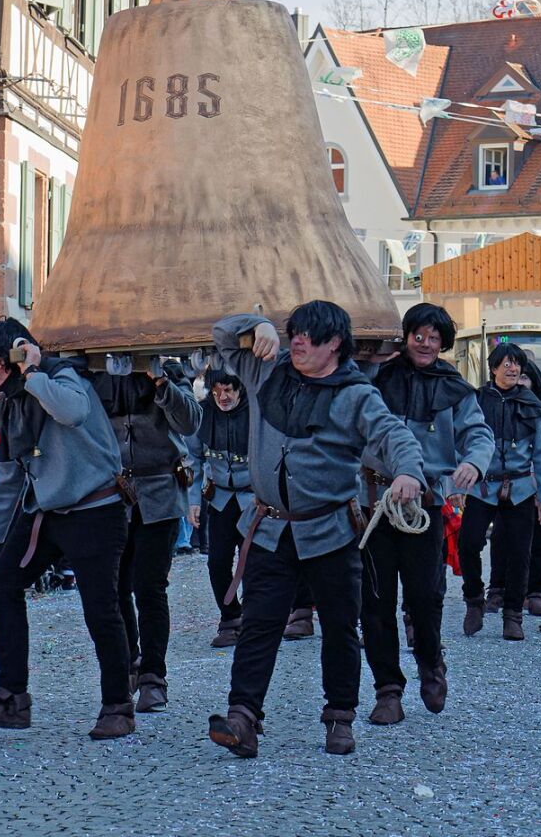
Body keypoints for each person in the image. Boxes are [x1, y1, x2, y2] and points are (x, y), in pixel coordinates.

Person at [207, 302, 425, 758]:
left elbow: (391, 434)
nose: (298, 341)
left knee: (342, 626)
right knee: (259, 625)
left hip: (330, 531)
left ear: (335, 345)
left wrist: (409, 472)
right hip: (269, 529)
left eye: (310, 336)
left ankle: (339, 717)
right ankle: (243, 717)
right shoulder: (267, 369)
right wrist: (258, 324)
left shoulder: (356, 393)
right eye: (295, 333)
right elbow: (221, 334)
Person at [0, 318, 133, 740]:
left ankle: (118, 706)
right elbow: (9, 471)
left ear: (5, 358)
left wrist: (32, 371)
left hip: (95, 509)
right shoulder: (8, 402)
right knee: (1, 586)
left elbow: (73, 411)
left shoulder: (61, 377)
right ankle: (12, 699)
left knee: (100, 607)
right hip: (46, 514)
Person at [359, 304, 493, 727]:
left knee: (425, 596)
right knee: (376, 601)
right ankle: (387, 690)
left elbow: (478, 433)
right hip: (375, 503)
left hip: (426, 504)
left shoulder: (454, 388)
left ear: (443, 343)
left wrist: (474, 462)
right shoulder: (375, 378)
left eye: (434, 337)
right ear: (407, 336)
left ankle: (431, 663)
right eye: (418, 334)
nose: (425, 342)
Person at [92, 359, 202, 712]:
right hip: (112, 493)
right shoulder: (96, 373)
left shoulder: (169, 368)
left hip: (161, 490)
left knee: (150, 585)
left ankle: (154, 675)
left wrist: (160, 382)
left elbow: (189, 421)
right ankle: (129, 663)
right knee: (116, 585)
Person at [458, 343, 541, 641]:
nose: (513, 369)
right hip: (482, 484)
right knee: (468, 543)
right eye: (507, 363)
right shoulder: (475, 400)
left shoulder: (532, 405)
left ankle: (512, 615)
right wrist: (454, 485)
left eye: (517, 364)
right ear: (494, 367)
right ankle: (474, 599)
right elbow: (460, 441)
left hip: (521, 488)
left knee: (519, 553)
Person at [188, 368, 253, 647]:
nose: (222, 397)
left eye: (228, 391)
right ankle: (230, 618)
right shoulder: (204, 414)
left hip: (254, 501)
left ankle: (254, 619)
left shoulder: (257, 415)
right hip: (221, 500)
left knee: (255, 563)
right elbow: (194, 459)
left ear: (239, 390)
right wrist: (193, 502)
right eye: (216, 392)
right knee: (217, 562)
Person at [486, 357, 541, 617]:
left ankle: (534, 591)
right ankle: (498, 588)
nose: (517, 378)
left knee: (536, 540)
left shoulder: (537, 407)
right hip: (505, 483)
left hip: (533, 481)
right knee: (502, 537)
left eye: (524, 375)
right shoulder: (492, 403)